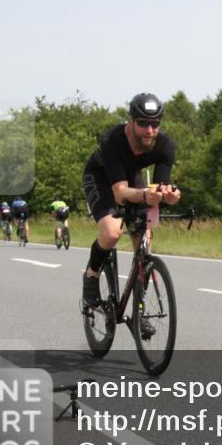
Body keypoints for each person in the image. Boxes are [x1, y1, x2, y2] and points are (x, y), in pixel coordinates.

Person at [81, 93, 180, 310]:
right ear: (132, 121)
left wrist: (170, 195)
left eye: (155, 124)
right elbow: (119, 193)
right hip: (101, 178)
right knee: (112, 233)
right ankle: (91, 275)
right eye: (143, 123)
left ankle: (139, 311)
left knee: (144, 243)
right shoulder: (113, 140)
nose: (150, 130)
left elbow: (159, 187)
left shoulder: (165, 145)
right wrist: (145, 195)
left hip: (130, 179)